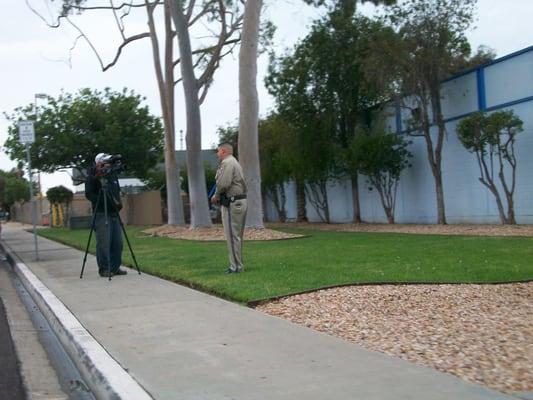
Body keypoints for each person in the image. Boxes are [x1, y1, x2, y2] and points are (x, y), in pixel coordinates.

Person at [85, 153, 127, 278]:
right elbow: (89, 194)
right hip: (101, 214)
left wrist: (117, 203)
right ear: (99, 163)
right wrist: (102, 200)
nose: (109, 164)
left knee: (117, 243)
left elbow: (116, 190)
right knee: (104, 242)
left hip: (114, 213)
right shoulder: (93, 176)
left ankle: (115, 267)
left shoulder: (112, 175)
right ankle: (104, 269)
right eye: (106, 162)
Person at [211, 143, 247, 274]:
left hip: (233, 203)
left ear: (224, 151)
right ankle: (238, 266)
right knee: (236, 236)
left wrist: (216, 195)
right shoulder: (234, 162)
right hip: (239, 201)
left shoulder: (227, 163)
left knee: (232, 237)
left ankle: (235, 267)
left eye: (218, 151)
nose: (217, 153)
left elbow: (223, 183)